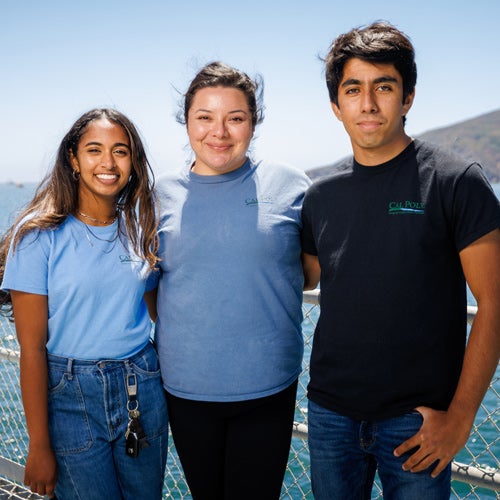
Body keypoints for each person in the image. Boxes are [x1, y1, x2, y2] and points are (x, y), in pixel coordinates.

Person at [301, 21, 500, 499]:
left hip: (419, 426)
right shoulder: (320, 196)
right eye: (353, 89)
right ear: (336, 105)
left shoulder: (457, 182)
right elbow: (294, 278)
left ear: (407, 97)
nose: (367, 104)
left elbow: (494, 304)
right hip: (329, 418)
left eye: (383, 87)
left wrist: (460, 420)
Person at [152, 61, 311, 499]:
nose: (218, 131)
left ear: (253, 123)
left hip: (269, 387)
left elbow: (310, 269)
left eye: (235, 118)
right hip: (186, 388)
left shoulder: (291, 183)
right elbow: (153, 289)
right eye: (204, 117)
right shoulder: (158, 194)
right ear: (186, 122)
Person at [0, 108, 169, 499]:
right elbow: (30, 350)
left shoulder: (140, 228)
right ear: (74, 160)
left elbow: (161, 310)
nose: (108, 163)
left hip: (141, 388)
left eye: (120, 151)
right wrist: (38, 444)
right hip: (70, 397)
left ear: (133, 162)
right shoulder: (38, 237)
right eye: (94, 150)